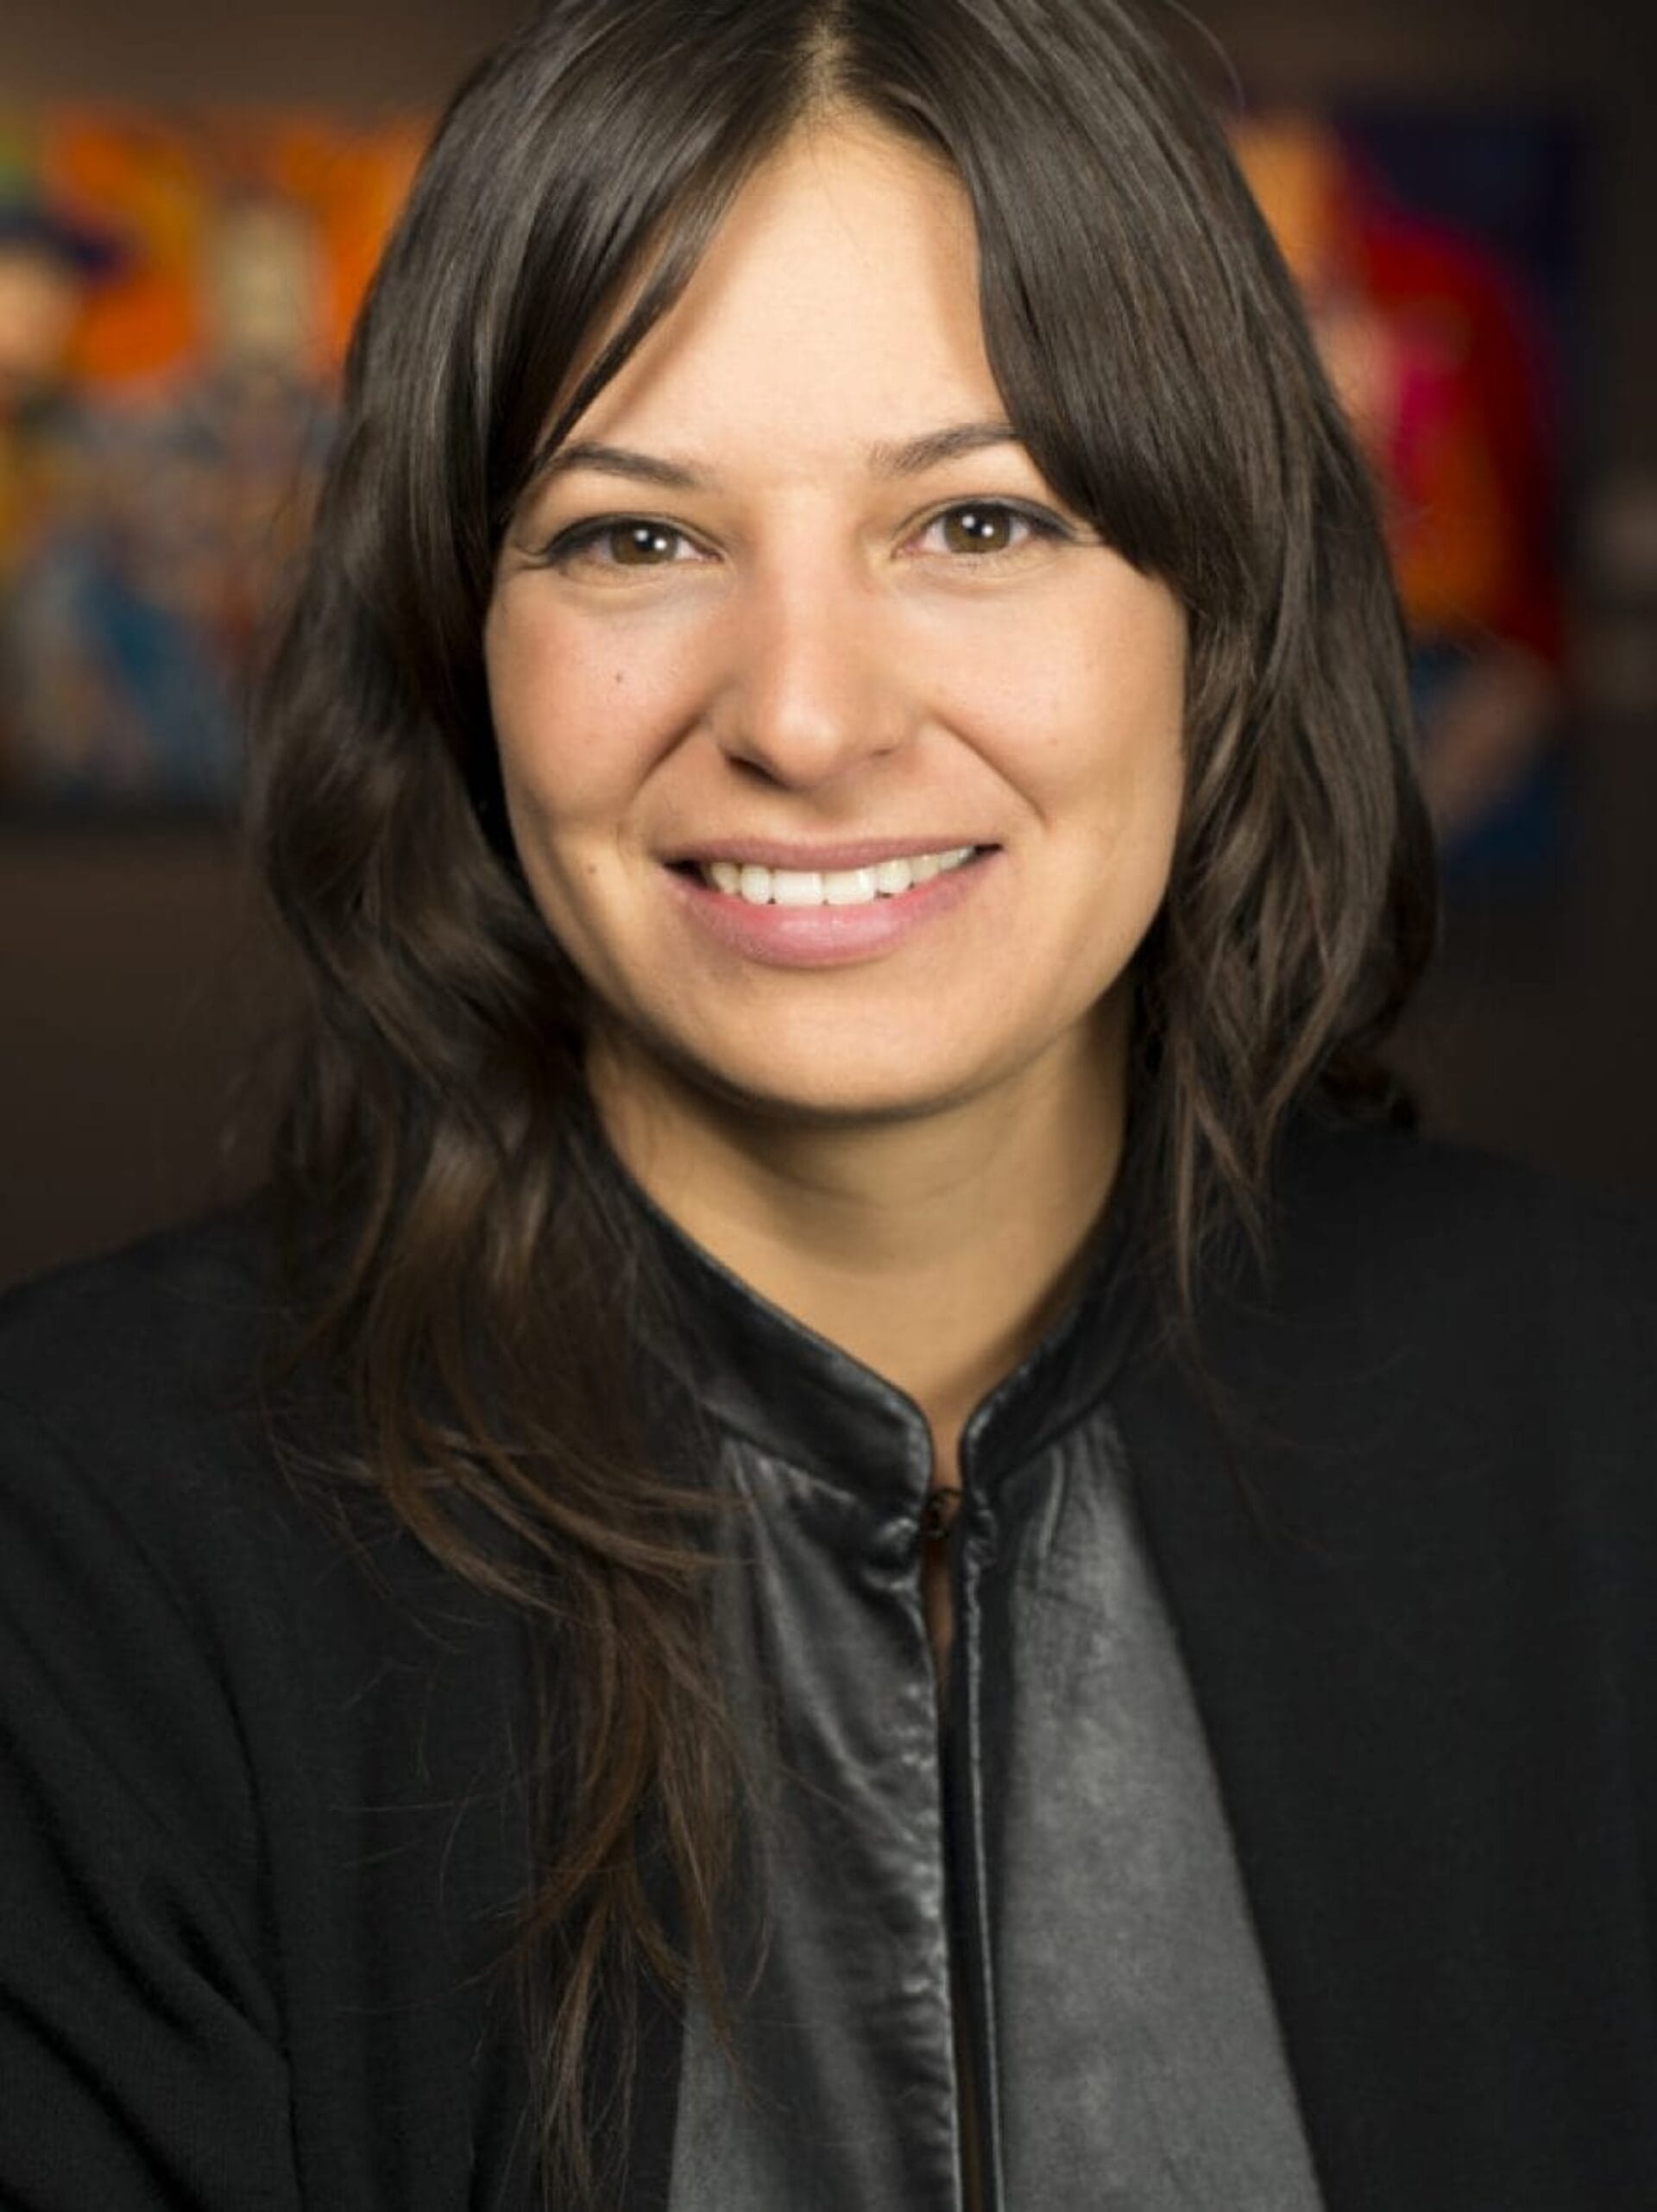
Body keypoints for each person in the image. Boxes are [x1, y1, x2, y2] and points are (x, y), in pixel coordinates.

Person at [0, 3, 1652, 2209]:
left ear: (1218, 603)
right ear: (451, 637)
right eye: (632, 541)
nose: (800, 713)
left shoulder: (1608, 1423)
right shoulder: (78, 1540)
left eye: (978, 518)